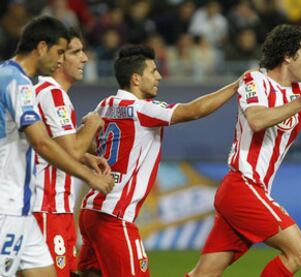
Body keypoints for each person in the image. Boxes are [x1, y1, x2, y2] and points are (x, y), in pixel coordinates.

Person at [186, 24, 301, 277]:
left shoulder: (300, 92)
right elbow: (256, 120)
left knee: (204, 274)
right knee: (300, 251)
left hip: (251, 192)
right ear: (288, 55)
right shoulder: (255, 80)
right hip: (242, 186)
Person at [77, 44, 239, 277]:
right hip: (115, 216)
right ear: (135, 78)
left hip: (91, 211)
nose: (159, 76)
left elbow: (93, 144)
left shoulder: (105, 105)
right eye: (153, 71)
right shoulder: (141, 109)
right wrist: (234, 86)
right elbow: (193, 111)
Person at [0, 16, 114, 277]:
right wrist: (89, 175)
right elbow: (41, 142)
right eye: (60, 51)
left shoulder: (20, 81)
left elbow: (45, 141)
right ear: (42, 47)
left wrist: (84, 157)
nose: (61, 59)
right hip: (12, 204)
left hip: (25, 207)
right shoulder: (18, 83)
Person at [32, 28, 109, 276]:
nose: (85, 58)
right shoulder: (52, 94)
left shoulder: (49, 94)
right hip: (45, 207)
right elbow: (73, 149)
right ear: (58, 58)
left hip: (57, 209)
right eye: (76, 52)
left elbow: (54, 146)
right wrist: (92, 125)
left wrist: (85, 154)